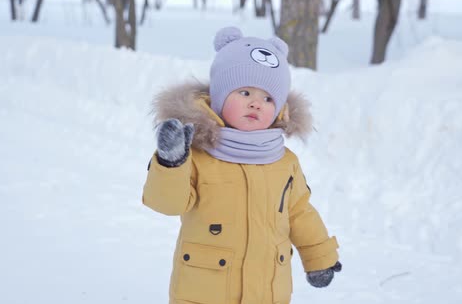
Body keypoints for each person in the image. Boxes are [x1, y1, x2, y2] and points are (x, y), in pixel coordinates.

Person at [143, 26, 341, 304]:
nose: (256, 104)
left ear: (280, 107)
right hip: (206, 292)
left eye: (268, 98)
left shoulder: (284, 162)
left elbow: (299, 212)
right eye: (244, 92)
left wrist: (319, 255)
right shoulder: (199, 154)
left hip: (268, 292)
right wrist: (172, 162)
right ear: (220, 97)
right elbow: (167, 203)